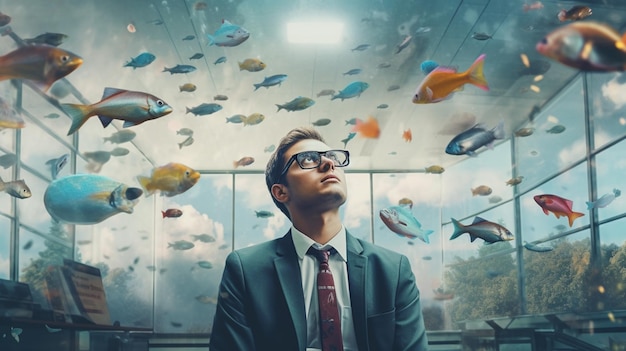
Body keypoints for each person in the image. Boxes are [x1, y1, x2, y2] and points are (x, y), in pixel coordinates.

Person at [210, 126, 428, 351]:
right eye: (308, 159)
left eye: (333, 157)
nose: (329, 163)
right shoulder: (245, 270)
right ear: (281, 192)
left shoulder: (393, 269)